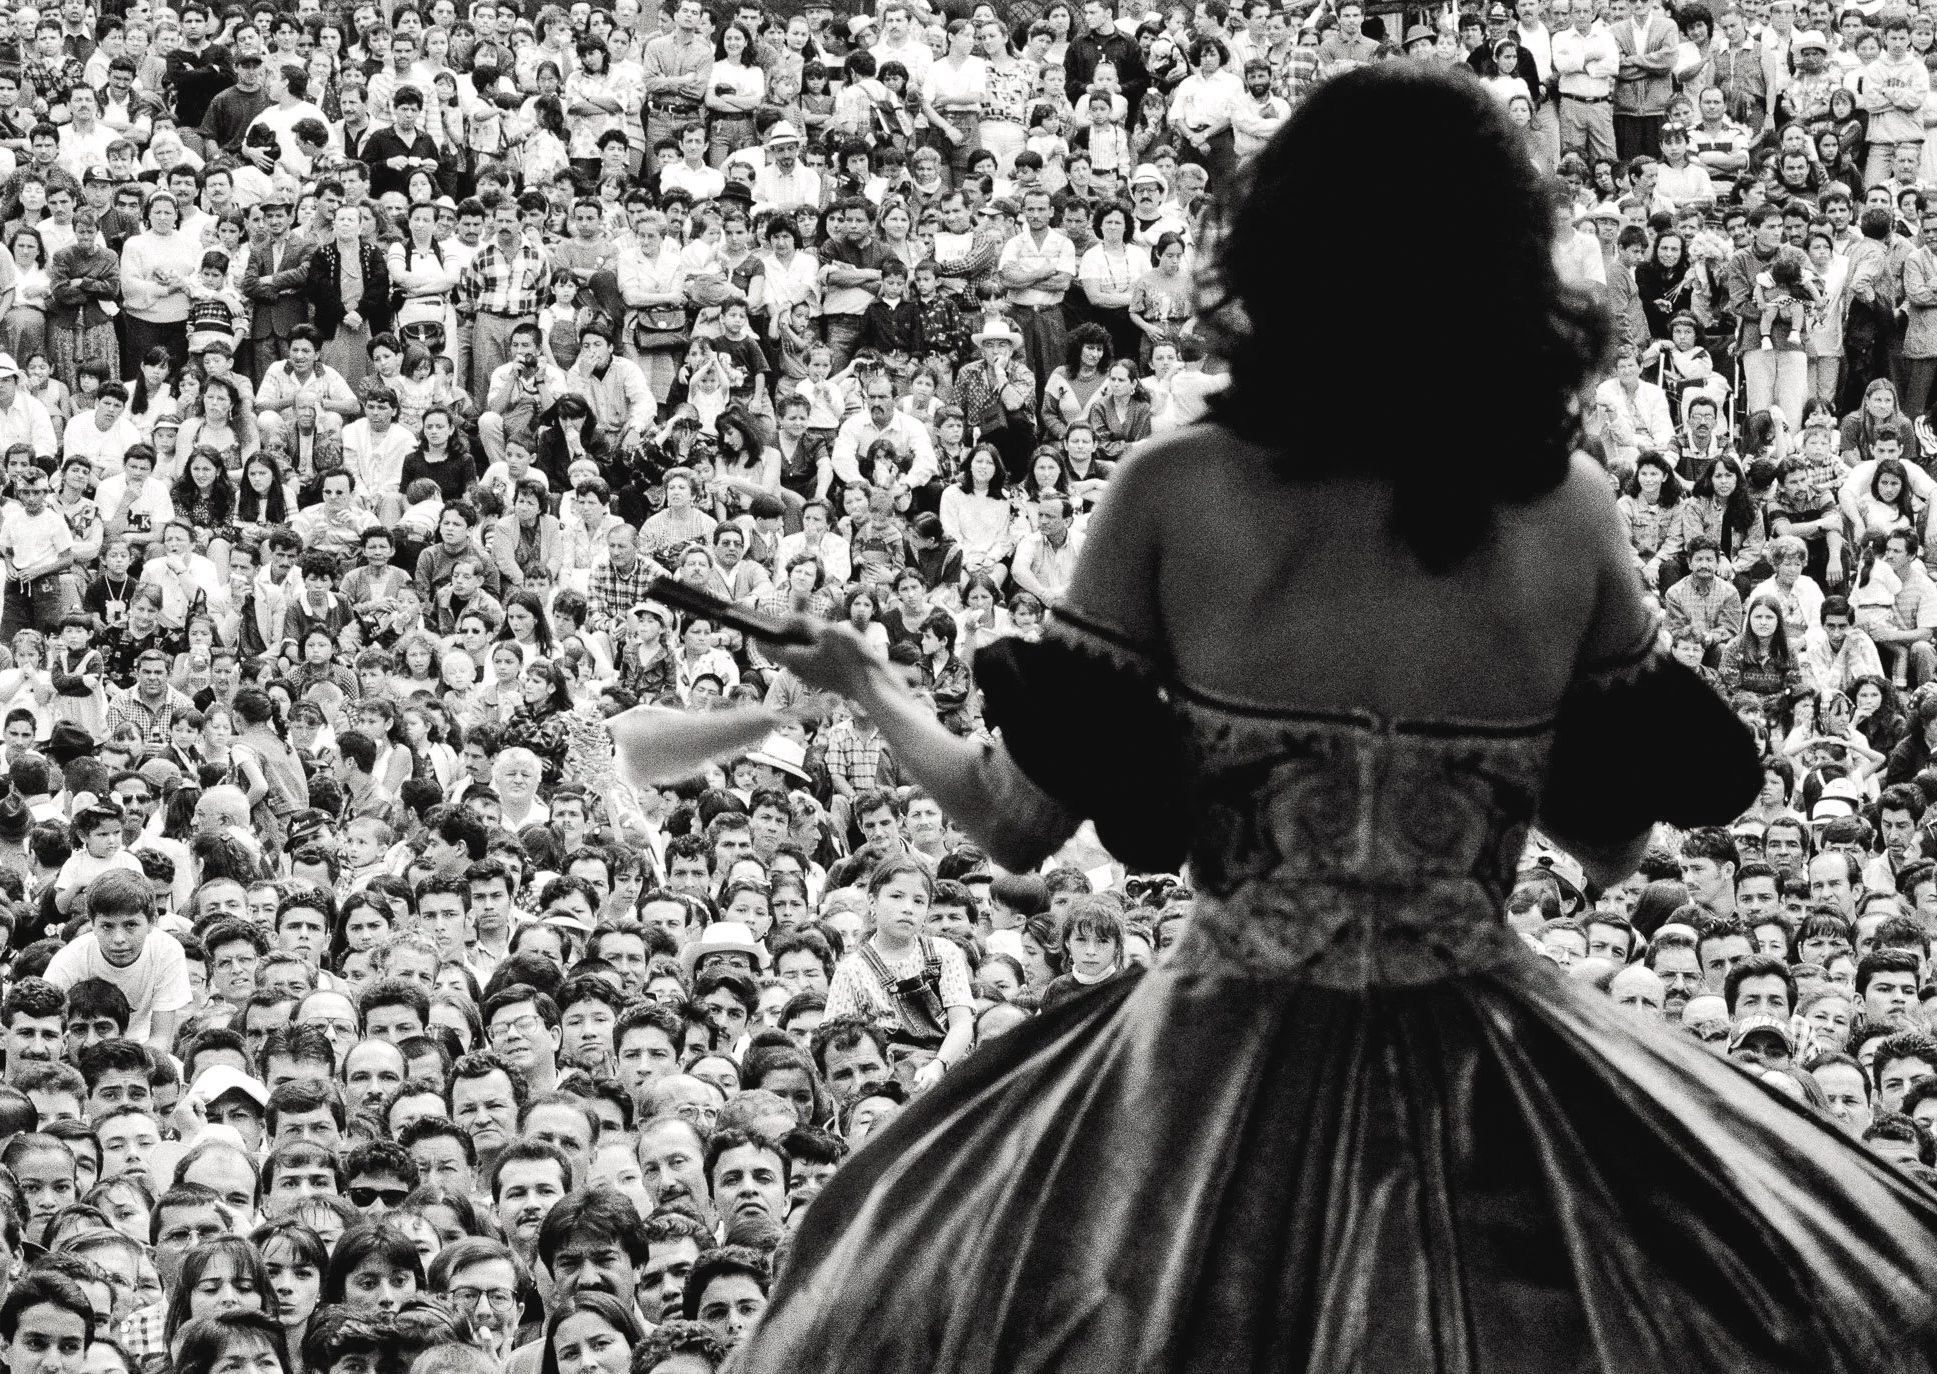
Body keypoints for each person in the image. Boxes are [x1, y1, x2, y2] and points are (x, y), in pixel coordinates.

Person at [727, 66, 1937, 1374]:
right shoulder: (1569, 510)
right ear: (1508, 264)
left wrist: (865, 679)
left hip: (1200, 1081)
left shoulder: (1174, 490)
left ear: (1279, 249)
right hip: (1497, 1081)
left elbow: (1012, 820)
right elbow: (1607, 849)